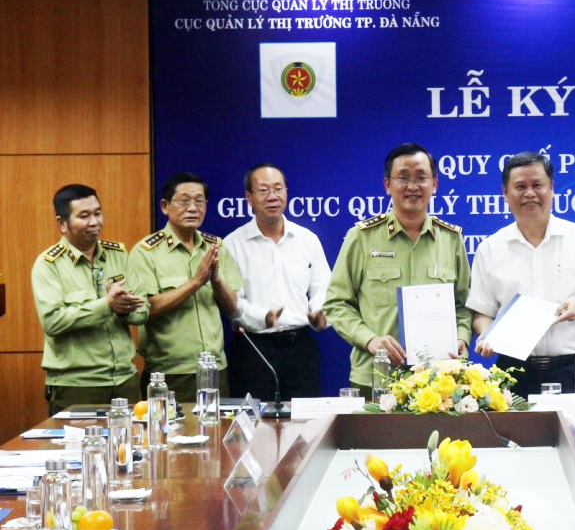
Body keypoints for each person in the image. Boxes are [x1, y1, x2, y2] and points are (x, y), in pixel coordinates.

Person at [468, 152, 575, 398]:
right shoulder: (490, 248)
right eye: (520, 186)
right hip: (513, 371)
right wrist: (487, 335)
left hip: (571, 369)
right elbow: (481, 312)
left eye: (537, 185)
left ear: (551, 188)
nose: (530, 193)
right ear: (505, 193)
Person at [324, 143, 471, 389]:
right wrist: (369, 339)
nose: (412, 186)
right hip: (376, 376)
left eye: (421, 177)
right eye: (403, 178)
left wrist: (461, 338)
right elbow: (336, 302)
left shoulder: (451, 239)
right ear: (387, 185)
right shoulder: (361, 237)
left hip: (438, 381)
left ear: (434, 184)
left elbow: (464, 305)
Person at [127, 172, 242, 404]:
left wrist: (216, 280)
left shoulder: (215, 247)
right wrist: (196, 282)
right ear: (165, 206)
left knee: (217, 427)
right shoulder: (146, 252)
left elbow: (233, 309)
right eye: (184, 200)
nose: (192, 208)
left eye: (199, 201)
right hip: (170, 373)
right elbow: (146, 309)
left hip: (215, 368)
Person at [31, 184, 147, 414]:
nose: (94, 222)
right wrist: (107, 305)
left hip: (125, 379)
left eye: (98, 213)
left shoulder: (119, 256)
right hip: (77, 385)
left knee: (132, 439)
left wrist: (123, 309)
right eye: (84, 216)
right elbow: (53, 321)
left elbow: (143, 312)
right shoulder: (48, 265)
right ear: (62, 224)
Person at [224, 163, 331, 401]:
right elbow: (233, 303)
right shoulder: (233, 244)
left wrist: (320, 313)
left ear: (286, 192)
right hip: (254, 348)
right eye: (263, 190)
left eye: (278, 189)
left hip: (300, 345)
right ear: (249, 197)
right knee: (254, 419)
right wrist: (264, 316)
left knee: (305, 419)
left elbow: (323, 287)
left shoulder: (307, 239)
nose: (273, 196)